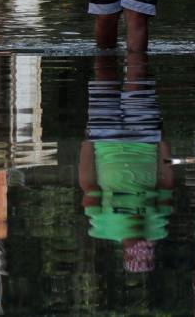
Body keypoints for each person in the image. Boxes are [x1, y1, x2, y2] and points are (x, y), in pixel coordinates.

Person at [78, 55, 174, 273]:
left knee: (104, 78)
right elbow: (166, 183)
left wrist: (87, 142)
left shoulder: (101, 228)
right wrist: (164, 143)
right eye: (146, 245)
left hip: (105, 142)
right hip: (146, 140)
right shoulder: (158, 229)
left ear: (126, 248)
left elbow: (88, 185)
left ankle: (106, 51)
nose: (141, 238)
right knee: (137, 78)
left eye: (138, 245)